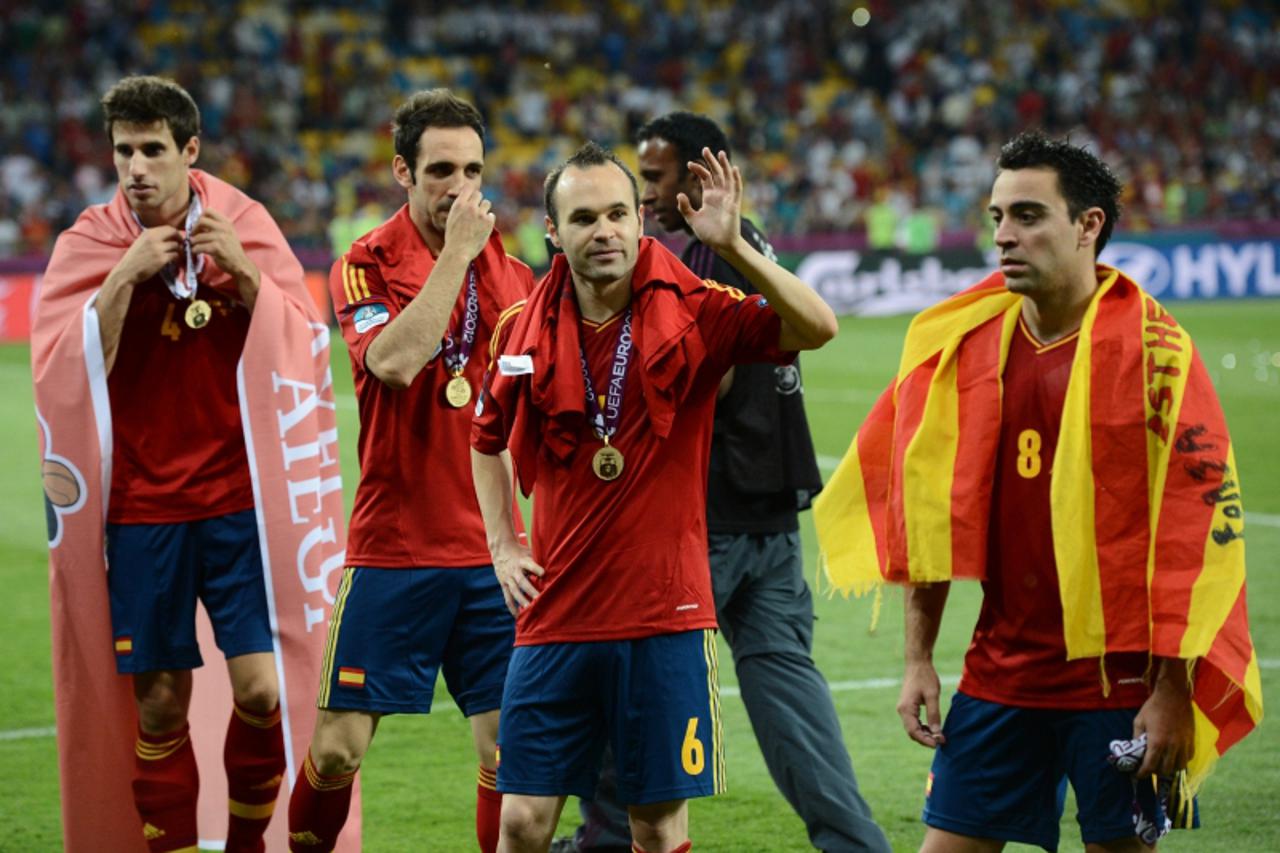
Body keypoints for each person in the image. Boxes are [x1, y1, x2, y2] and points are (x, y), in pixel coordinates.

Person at [815, 132, 1261, 852]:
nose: (1003, 235)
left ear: (1088, 226)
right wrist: (918, 657)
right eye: (996, 216)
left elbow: (1193, 531)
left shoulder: (1157, 354)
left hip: (1120, 686)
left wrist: (1173, 688)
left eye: (1027, 215)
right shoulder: (961, 344)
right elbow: (927, 511)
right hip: (1001, 673)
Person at [470, 140, 839, 853]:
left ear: (640, 219)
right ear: (553, 230)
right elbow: (486, 439)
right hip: (556, 614)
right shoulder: (521, 330)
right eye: (583, 218)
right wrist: (502, 543)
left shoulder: (698, 309)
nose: (602, 230)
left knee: (657, 824)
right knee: (521, 820)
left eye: (617, 213)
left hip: (664, 617)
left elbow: (817, 326)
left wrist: (733, 243)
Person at [554, 112, 890, 853]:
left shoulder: (706, 256)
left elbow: (712, 371)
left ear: (703, 172)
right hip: (771, 512)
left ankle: (604, 840)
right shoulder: (746, 245)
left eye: (655, 178)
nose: (646, 196)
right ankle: (855, 844)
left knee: (638, 683)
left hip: (708, 519)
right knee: (789, 696)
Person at [33, 75, 345, 852]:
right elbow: (66, 371)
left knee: (262, 690)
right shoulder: (92, 241)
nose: (136, 168)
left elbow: (306, 342)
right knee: (162, 705)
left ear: (190, 151)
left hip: (239, 503)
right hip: (141, 510)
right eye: (123, 152)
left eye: (152, 150)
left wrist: (243, 271)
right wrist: (125, 275)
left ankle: (245, 844)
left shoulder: (242, 221)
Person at [286, 88, 533, 853]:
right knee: (337, 750)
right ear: (402, 170)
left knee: (507, 752)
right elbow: (392, 362)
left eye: (473, 169)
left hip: (491, 554)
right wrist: (457, 256)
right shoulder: (363, 263)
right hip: (395, 547)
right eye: (440, 170)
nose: (460, 187)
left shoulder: (519, 276)